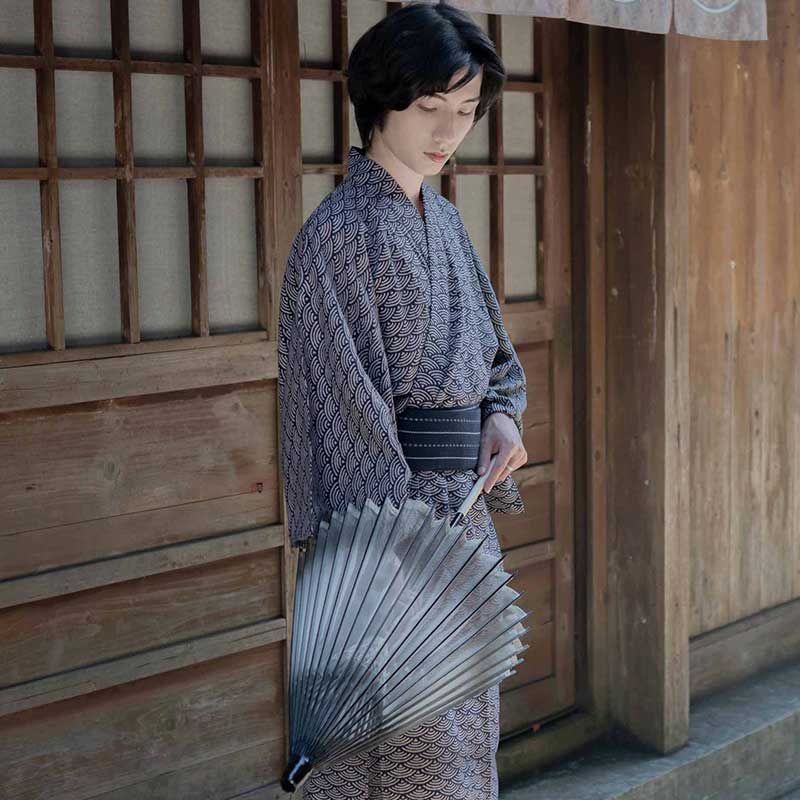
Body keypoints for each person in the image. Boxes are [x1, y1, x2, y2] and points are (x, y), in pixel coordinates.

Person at [278, 2, 528, 797]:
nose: (448, 132)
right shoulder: (338, 236)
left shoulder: (447, 223)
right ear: (382, 99)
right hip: (390, 541)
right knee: (400, 745)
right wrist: (396, 546)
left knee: (460, 740)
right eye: (430, 108)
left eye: (464, 112)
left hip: (462, 522)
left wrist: (499, 417)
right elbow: (341, 407)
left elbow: (495, 360)